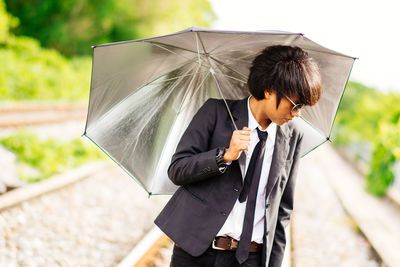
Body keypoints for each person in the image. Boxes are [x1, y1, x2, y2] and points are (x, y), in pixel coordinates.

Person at [155, 45, 322, 267]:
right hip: (197, 253)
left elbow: (282, 210)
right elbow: (177, 170)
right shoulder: (215, 113)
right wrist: (224, 156)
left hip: (250, 258)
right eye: (295, 104)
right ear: (270, 90)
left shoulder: (293, 135)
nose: (297, 114)